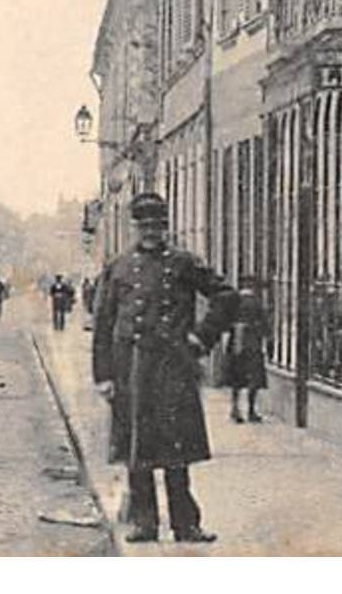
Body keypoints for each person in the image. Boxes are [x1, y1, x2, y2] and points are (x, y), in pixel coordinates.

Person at [92, 192, 235, 545]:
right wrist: (104, 376)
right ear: (134, 228)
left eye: (158, 225)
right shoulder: (119, 268)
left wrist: (201, 339)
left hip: (174, 366)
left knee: (176, 449)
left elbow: (227, 297)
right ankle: (145, 522)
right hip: (132, 368)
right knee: (138, 450)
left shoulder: (183, 264)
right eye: (144, 226)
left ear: (167, 227)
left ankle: (186, 523)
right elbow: (103, 324)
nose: (151, 232)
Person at [225, 285, 269, 424]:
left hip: (237, 345)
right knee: (253, 378)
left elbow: (225, 323)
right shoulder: (257, 303)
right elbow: (265, 326)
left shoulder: (233, 303)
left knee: (236, 378)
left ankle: (235, 408)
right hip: (252, 345)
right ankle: (251, 410)